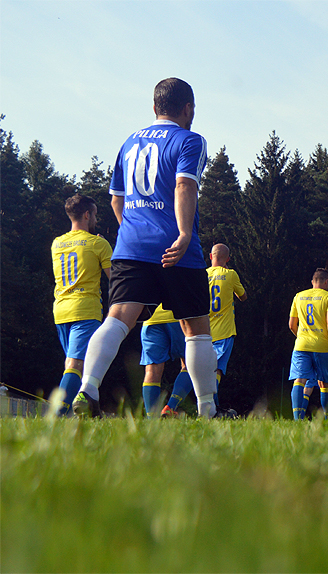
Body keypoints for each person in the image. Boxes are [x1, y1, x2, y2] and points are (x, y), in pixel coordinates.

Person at [72, 78, 218, 418]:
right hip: (177, 249)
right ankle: (208, 409)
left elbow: (116, 199)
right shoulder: (190, 141)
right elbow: (184, 185)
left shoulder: (129, 142)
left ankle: (87, 388)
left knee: (117, 319)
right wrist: (183, 233)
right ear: (188, 109)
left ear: (154, 108)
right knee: (195, 329)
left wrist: (132, 232)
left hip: (131, 248)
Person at [51, 194, 112, 415]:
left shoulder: (56, 243)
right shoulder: (98, 243)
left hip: (60, 310)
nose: (95, 218)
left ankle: (83, 411)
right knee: (75, 365)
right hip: (85, 309)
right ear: (87, 214)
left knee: (76, 365)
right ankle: (57, 417)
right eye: (94, 214)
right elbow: (114, 278)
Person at [288, 268, 328, 420]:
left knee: (299, 380)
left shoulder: (299, 296)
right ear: (326, 282)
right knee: (325, 384)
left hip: (301, 345)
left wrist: (302, 336)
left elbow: (291, 324)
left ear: (312, 282)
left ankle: (297, 419)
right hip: (322, 346)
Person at [207, 244, 247, 413]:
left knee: (204, 369)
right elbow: (243, 296)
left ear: (210, 256)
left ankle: (211, 407)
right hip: (223, 331)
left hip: (203, 331)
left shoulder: (202, 274)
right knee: (216, 371)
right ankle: (212, 408)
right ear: (228, 259)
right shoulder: (230, 274)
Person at [139, 305, 193, 417]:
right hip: (179, 317)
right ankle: (170, 407)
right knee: (190, 364)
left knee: (151, 370)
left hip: (151, 319)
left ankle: (152, 419)